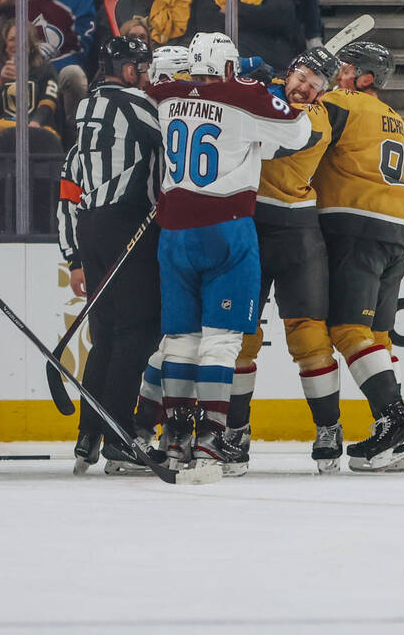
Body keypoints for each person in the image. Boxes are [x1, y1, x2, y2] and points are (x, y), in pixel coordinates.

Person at [146, 32, 309, 468]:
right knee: (221, 341)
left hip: (174, 232)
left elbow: (210, 109)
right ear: (231, 67)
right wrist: (268, 88)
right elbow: (298, 132)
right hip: (225, 229)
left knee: (180, 339)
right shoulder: (244, 95)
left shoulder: (165, 95)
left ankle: (176, 438)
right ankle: (212, 438)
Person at [222, 46, 345, 476]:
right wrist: (253, 88)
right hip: (249, 227)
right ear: (291, 71)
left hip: (297, 235)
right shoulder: (271, 95)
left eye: (316, 84)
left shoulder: (317, 120)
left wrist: (256, 88)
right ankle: (234, 431)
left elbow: (269, 143)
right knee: (240, 338)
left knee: (310, 339)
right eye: (303, 76)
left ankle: (329, 428)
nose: (306, 87)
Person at [314, 42, 404, 471]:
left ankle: (397, 422)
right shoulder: (397, 121)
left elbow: (298, 121)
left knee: (347, 330)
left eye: (344, 69)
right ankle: (392, 439)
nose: (336, 76)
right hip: (395, 232)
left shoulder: (343, 103)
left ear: (365, 78)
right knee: (377, 337)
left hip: (355, 228)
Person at [58, 36, 163, 475]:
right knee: (136, 333)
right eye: (141, 66)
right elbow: (180, 133)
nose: (148, 74)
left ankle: (89, 435)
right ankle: (121, 437)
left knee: (106, 337)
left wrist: (74, 255)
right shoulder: (139, 104)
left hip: (91, 229)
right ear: (124, 68)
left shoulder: (85, 112)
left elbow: (69, 185)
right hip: (129, 225)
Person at [0, 0, 96, 121]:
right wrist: (5, 2)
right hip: (11, 63)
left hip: (55, 69)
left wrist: (41, 68)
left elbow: (80, 51)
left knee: (75, 75)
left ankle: (75, 135)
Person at [0, 19, 60, 137]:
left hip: (37, 131)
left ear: (31, 45)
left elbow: (48, 102)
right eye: (12, 39)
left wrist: (36, 122)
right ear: (5, 46)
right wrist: (0, 83)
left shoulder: (45, 69)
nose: (17, 43)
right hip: (0, 135)